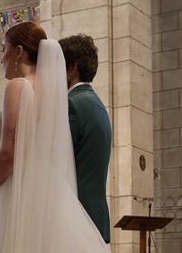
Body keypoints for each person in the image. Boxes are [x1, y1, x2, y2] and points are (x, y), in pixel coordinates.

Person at [0, 22, 110, 253]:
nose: (1, 57)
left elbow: (8, 154)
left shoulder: (17, 86)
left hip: (18, 191)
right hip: (50, 193)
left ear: (18, 52)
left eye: (3, 48)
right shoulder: (54, 95)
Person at [59, 34, 112, 244]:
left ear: (71, 68)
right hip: (95, 218)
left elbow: (54, 161)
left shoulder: (72, 104)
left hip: (76, 219)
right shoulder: (97, 105)